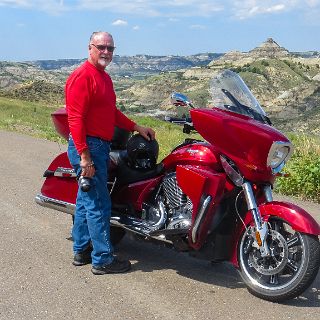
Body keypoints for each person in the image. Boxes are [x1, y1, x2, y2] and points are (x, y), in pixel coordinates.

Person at [65, 31, 155, 275]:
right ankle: (103, 259)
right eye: (101, 47)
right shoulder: (82, 76)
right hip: (89, 147)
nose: (106, 52)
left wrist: (136, 127)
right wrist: (84, 157)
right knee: (99, 204)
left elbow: (111, 113)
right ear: (90, 48)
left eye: (110, 48)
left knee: (86, 202)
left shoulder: (102, 77)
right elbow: (75, 119)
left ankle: (82, 250)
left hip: (98, 146)